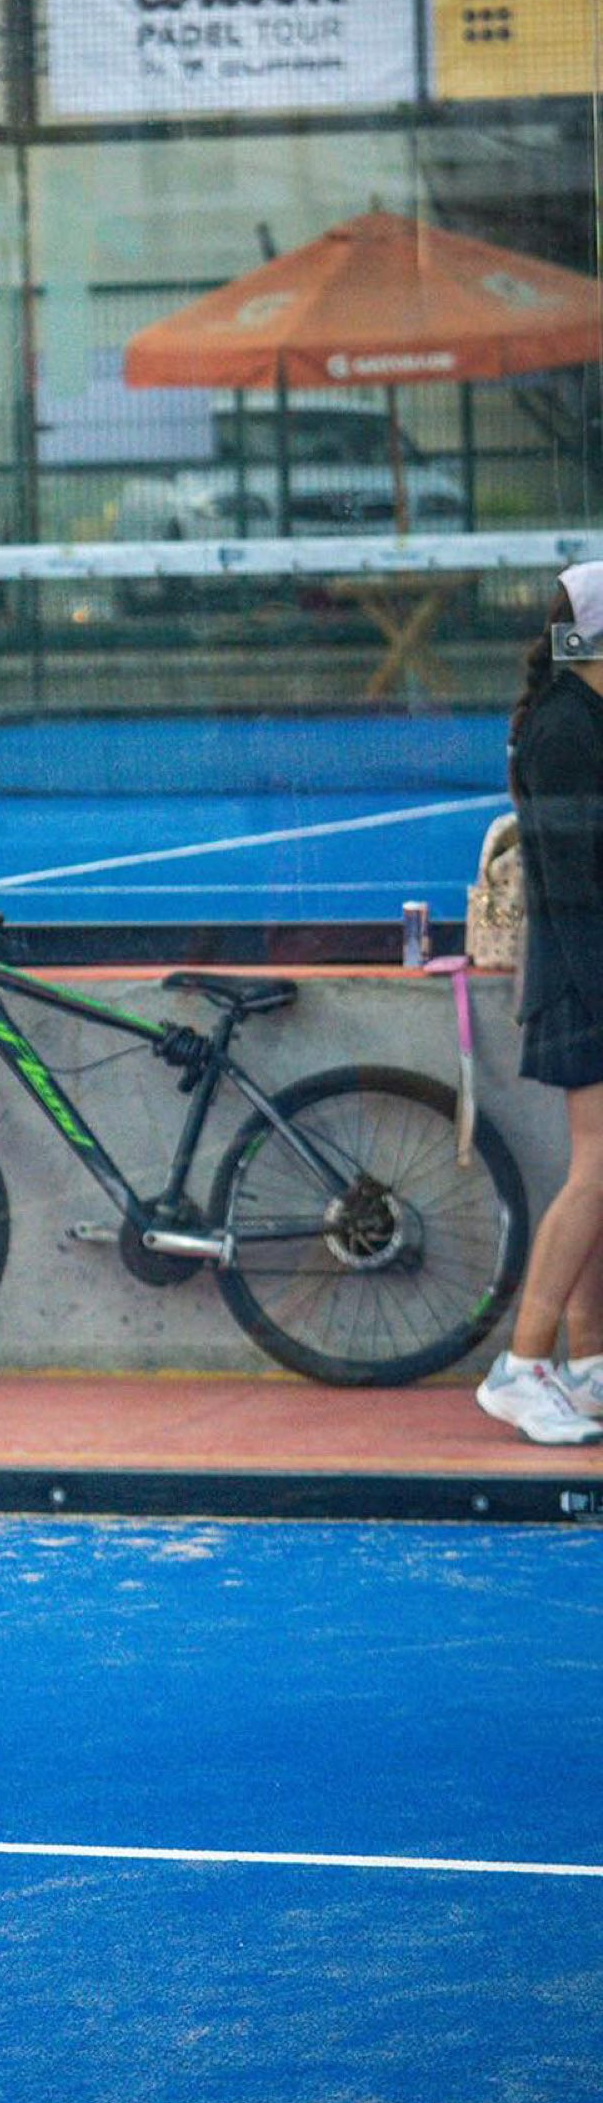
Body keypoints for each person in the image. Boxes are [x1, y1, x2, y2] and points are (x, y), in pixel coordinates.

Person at [477, 561, 603, 1446]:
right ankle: (522, 1367)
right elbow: (576, 887)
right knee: (596, 1174)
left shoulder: (583, 718)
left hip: (588, 975)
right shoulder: (564, 731)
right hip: (584, 982)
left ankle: (589, 1359)